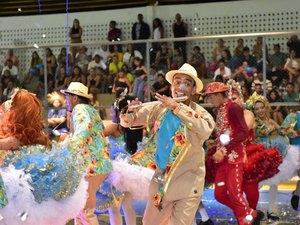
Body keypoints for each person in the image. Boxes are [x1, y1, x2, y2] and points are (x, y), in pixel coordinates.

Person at [120, 63, 215, 225]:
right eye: (177, 82)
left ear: (193, 90)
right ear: (171, 86)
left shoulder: (200, 113)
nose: (180, 86)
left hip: (188, 183)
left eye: (187, 83)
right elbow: (127, 122)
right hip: (161, 182)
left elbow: (206, 130)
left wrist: (178, 108)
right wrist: (130, 111)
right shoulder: (160, 107)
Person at [0, 89, 87, 225]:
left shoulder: (15, 139)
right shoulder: (27, 133)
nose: (9, 105)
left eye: (12, 104)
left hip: (22, 185)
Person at [203, 82, 264, 225]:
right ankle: (251, 213)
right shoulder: (220, 110)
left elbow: (243, 132)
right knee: (219, 194)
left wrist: (223, 149)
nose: (208, 101)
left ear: (219, 95)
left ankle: (245, 220)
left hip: (234, 158)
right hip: (223, 158)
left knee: (235, 194)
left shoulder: (233, 107)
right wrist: (216, 142)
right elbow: (229, 132)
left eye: (210, 97)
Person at [61, 82, 113, 225]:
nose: (66, 101)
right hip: (98, 164)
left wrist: (65, 151)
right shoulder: (91, 110)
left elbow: (81, 135)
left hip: (91, 166)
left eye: (67, 97)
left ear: (75, 98)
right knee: (81, 211)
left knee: (85, 211)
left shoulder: (79, 109)